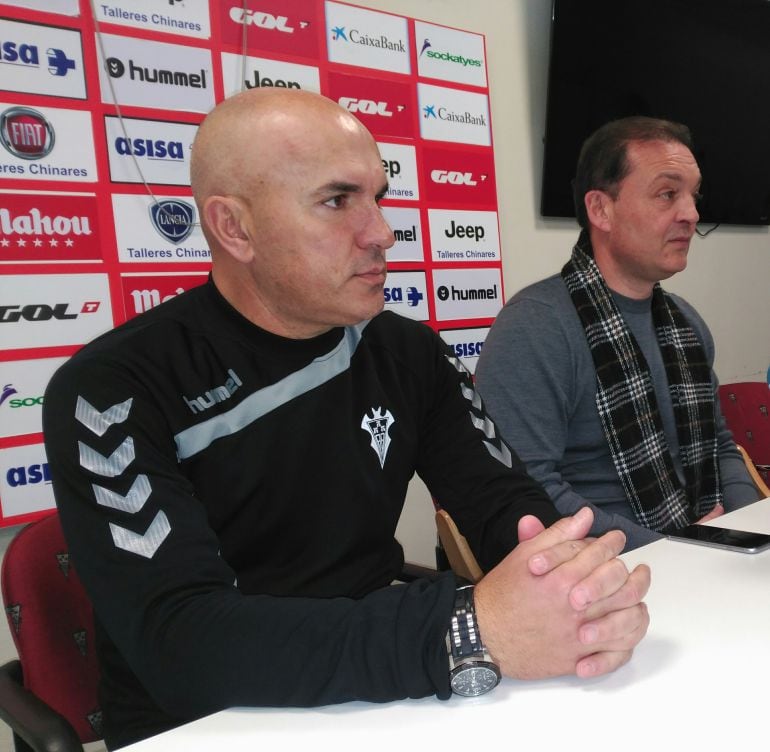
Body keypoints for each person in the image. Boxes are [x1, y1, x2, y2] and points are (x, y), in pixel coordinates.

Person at [43, 90, 650, 750]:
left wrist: (574, 586)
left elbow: (504, 504)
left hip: (373, 694)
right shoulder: (113, 389)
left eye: (379, 196)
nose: (382, 232)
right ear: (235, 228)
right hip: (205, 724)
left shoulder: (407, 351)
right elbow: (183, 645)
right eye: (337, 201)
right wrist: (466, 630)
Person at [476, 116, 759, 552]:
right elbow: (530, 493)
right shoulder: (533, 329)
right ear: (600, 210)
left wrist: (750, 531)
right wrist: (674, 549)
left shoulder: (687, 323)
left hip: (702, 552)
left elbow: (721, 448)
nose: (692, 213)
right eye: (668, 194)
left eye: (693, 194)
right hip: (599, 575)